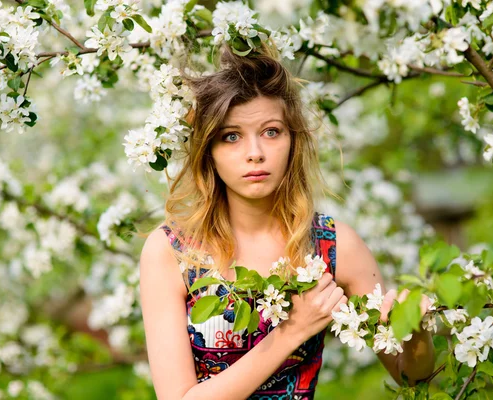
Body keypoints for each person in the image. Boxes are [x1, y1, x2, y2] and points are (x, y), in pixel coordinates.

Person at [139, 42, 435, 400]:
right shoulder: (172, 252)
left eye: (271, 131)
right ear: (209, 151)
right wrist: (291, 332)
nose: (255, 153)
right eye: (231, 137)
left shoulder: (333, 246)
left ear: (293, 139)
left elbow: (412, 379)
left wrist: (415, 332)